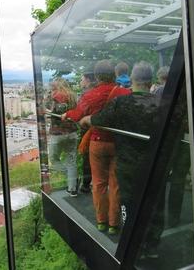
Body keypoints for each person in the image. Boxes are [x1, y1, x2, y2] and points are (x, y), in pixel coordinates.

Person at [79, 61, 163, 256]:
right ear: (150, 80)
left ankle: (133, 245)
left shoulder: (121, 102)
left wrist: (85, 120)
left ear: (132, 79)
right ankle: (152, 246)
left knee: (129, 202)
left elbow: (99, 119)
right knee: (155, 203)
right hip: (154, 162)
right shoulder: (161, 102)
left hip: (128, 163)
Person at [62, 60, 130, 234]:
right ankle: (114, 224)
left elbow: (78, 114)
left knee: (98, 183)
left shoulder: (90, 95)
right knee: (115, 184)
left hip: (98, 142)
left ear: (97, 76)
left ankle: (101, 221)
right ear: (114, 74)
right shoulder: (124, 92)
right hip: (118, 143)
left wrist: (66, 114)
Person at [48, 78, 78, 197]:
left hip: (58, 134)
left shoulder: (55, 97)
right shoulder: (73, 97)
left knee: (53, 159)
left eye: (53, 87)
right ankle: (72, 189)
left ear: (57, 86)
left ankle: (72, 177)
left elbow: (56, 115)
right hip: (72, 133)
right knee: (72, 161)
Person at [78, 71, 96, 193]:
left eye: (82, 79)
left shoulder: (87, 94)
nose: (81, 82)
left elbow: (80, 112)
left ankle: (86, 184)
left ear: (88, 80)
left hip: (88, 130)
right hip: (95, 129)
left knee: (87, 158)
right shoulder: (98, 92)